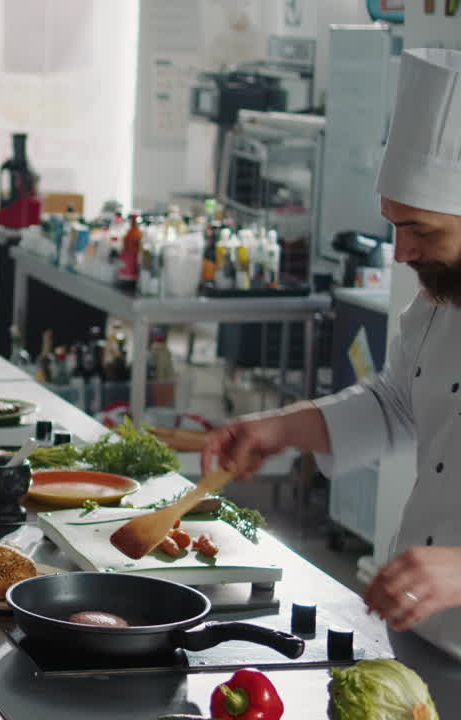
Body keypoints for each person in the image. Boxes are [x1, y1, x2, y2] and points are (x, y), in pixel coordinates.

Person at [202, 48, 461, 714]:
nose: (400, 252)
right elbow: (401, 399)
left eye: (418, 230)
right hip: (422, 648)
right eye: (394, 224)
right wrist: (279, 428)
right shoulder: (440, 302)